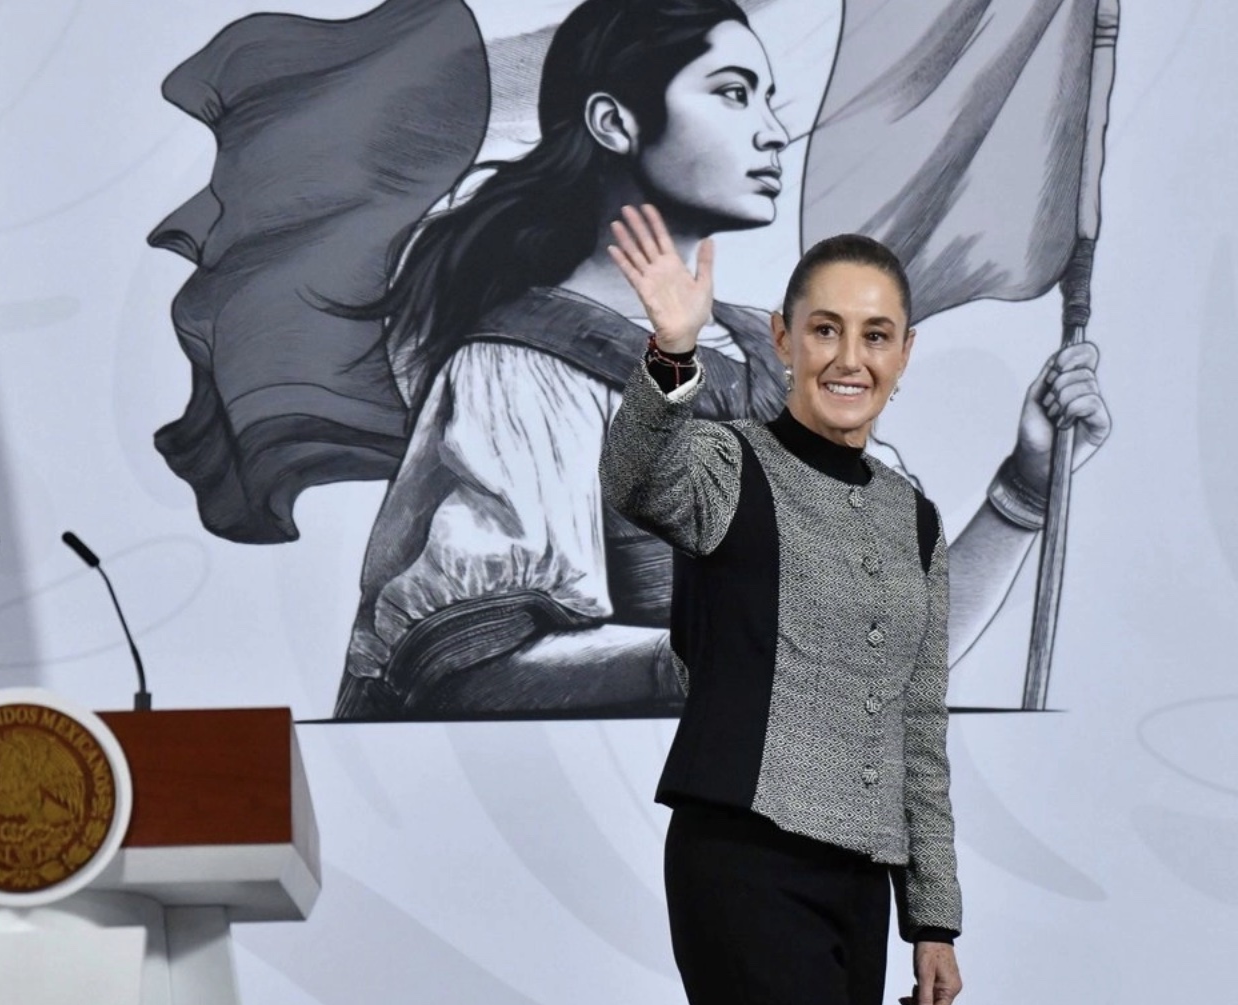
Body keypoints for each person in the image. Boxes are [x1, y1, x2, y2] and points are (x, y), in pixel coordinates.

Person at [336, 0, 1111, 719]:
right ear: (614, 122)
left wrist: (1025, 489)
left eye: (768, 99)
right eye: (734, 94)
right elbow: (468, 670)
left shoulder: (776, 361)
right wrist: (711, 656)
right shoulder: (524, 365)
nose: (773, 132)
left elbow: (894, 658)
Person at [599, 204, 1107, 1005]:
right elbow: (636, 478)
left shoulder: (914, 518)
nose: (850, 357)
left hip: (861, 886)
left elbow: (918, 727)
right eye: (825, 329)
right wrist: (672, 352)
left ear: (904, 354)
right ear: (783, 339)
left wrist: (933, 920)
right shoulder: (728, 462)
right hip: (743, 865)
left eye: (876, 336)